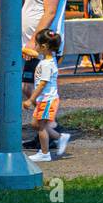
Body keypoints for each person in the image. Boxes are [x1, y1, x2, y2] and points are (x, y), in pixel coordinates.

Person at [21, 0, 68, 101]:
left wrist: (34, 40)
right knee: (29, 87)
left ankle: (49, 125)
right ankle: (46, 124)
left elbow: (50, 12)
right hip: (36, 45)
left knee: (41, 89)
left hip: (43, 45)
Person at [23, 29, 70, 162]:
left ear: (44, 47)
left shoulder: (45, 65)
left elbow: (42, 84)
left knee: (41, 126)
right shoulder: (50, 58)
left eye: (37, 44)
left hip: (46, 100)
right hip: (46, 99)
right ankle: (60, 138)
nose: (35, 47)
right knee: (36, 124)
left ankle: (44, 153)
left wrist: (30, 99)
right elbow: (34, 53)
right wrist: (24, 49)